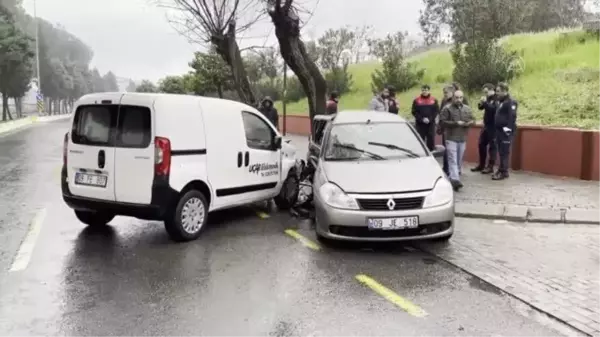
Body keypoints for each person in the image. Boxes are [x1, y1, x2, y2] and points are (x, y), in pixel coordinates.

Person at [439, 90, 475, 190]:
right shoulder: (447, 108)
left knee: (458, 161)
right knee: (452, 159)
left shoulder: (467, 109)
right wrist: (455, 123)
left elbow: (473, 119)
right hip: (451, 138)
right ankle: (455, 180)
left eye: (460, 97)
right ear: (453, 98)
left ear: (463, 98)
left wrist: (470, 123)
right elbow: (442, 122)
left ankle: (453, 177)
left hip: (462, 138)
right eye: (456, 97)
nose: (458, 99)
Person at [492, 82, 517, 181]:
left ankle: (503, 172)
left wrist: (508, 130)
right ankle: (501, 169)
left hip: (505, 132)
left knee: (504, 153)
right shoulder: (500, 102)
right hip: (499, 131)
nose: (496, 93)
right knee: (501, 152)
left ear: (505, 91)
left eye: (498, 91)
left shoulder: (511, 102)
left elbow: (512, 117)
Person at [472, 83, 498, 174]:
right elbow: (481, 108)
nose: (485, 94)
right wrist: (481, 102)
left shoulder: (496, 98)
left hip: (493, 126)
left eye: (486, 92)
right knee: (481, 144)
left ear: (492, 89)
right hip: (486, 125)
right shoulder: (488, 98)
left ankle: (490, 166)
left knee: (492, 146)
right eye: (484, 92)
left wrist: (486, 103)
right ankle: (481, 164)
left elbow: (493, 109)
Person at [411, 84, 440, 150]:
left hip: (431, 124)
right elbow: (414, 112)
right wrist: (422, 119)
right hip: (420, 124)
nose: (424, 92)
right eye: (423, 90)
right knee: (420, 141)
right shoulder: (416, 100)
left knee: (431, 140)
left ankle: (431, 154)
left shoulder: (434, 100)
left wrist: (429, 119)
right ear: (421, 91)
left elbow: (436, 111)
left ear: (429, 91)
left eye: (426, 90)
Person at [438, 85, 455, 176]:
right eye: (444, 93)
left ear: (452, 92)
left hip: (452, 129)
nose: (444, 94)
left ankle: (452, 169)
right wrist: (439, 127)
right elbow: (440, 113)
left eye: (446, 93)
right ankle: (445, 168)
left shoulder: (455, 101)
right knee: (445, 148)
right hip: (445, 128)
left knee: (451, 150)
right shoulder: (444, 101)